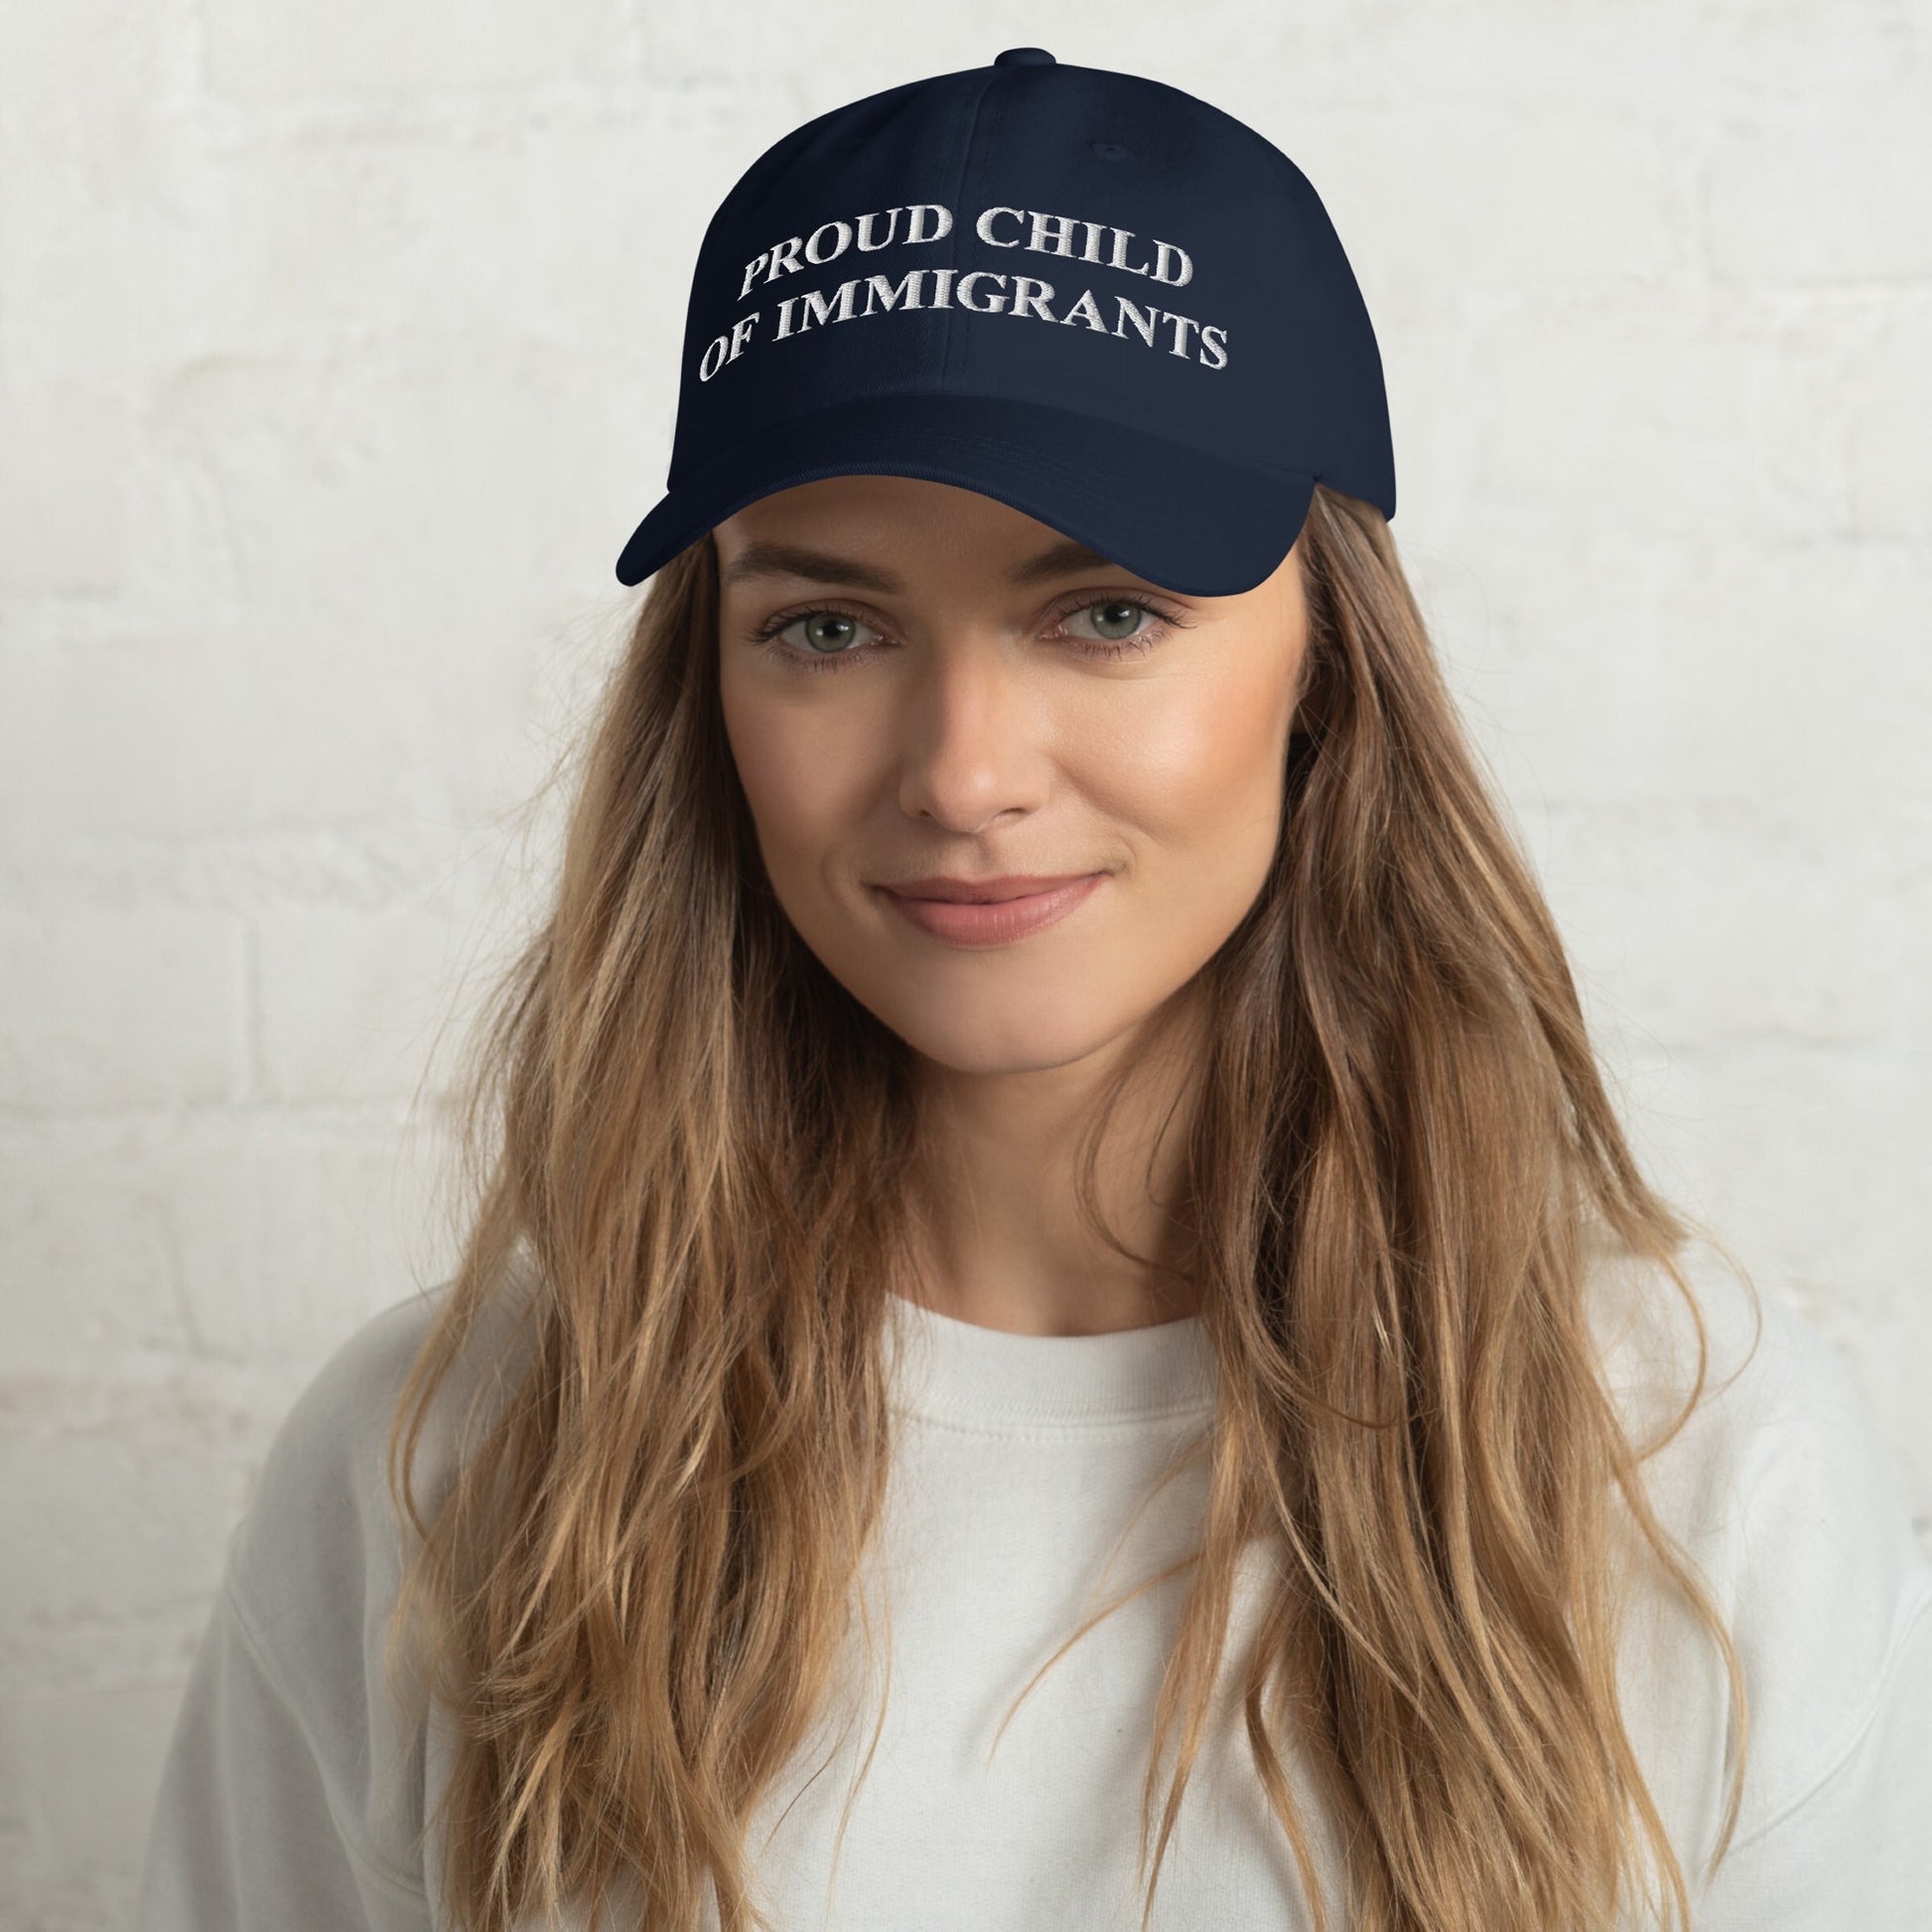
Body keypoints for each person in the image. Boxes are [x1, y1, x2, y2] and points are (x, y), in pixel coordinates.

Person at [135, 46, 1932, 1932]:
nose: (963, 770)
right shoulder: (447, 1468)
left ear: (1331, 666)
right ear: (711, 697)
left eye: (1105, 614)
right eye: (826, 625)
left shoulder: (1689, 1467)